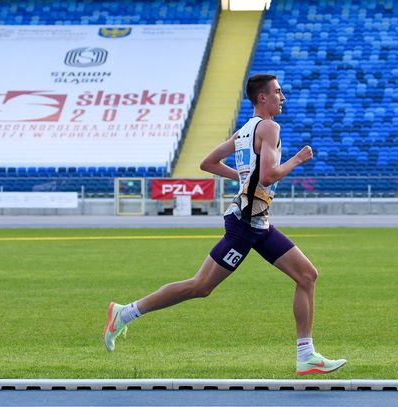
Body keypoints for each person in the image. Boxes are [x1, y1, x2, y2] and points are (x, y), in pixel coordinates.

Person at [103, 74, 347, 375]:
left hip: (259, 224)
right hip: (245, 225)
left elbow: (207, 163)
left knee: (307, 275)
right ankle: (124, 313)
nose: (282, 98)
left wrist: (242, 178)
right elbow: (269, 176)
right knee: (200, 286)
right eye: (278, 92)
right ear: (262, 98)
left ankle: (306, 355)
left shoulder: (244, 131)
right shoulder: (270, 127)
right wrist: (297, 159)